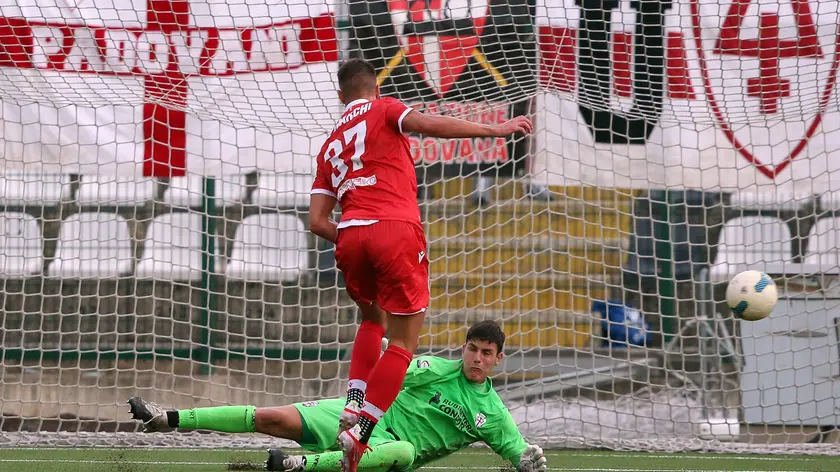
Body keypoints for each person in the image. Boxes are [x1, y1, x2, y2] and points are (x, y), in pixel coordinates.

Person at [307, 57, 532, 472]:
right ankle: (362, 430)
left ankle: (353, 404)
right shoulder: (384, 108)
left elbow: (317, 221)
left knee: (371, 321)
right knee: (403, 344)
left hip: (351, 233)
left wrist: (357, 233)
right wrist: (495, 130)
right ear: (374, 89)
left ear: (341, 96)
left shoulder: (329, 145)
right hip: (394, 228)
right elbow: (430, 125)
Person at [127, 320, 547, 472]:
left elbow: (518, 452)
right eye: (472, 348)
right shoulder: (434, 369)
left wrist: (527, 461)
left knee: (402, 450)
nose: (476, 357)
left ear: (497, 360)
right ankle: (168, 418)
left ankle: (300, 465)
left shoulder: (492, 414)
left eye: (485, 353)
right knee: (273, 417)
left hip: (387, 447)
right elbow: (390, 364)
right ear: (465, 348)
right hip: (362, 418)